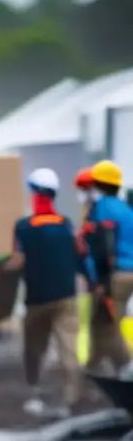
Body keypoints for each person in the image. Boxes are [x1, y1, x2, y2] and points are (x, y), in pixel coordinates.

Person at [4, 168, 93, 412]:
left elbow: (17, 260)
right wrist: (92, 283)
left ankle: (34, 393)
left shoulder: (23, 227)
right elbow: (81, 255)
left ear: (33, 194)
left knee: (34, 349)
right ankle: (73, 397)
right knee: (69, 349)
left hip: (37, 300)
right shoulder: (67, 225)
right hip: (66, 296)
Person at [82, 160, 133, 373]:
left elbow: (103, 246)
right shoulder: (126, 209)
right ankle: (92, 372)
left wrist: (101, 282)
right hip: (129, 273)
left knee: (108, 326)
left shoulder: (102, 208)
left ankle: (126, 370)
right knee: (101, 325)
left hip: (114, 276)